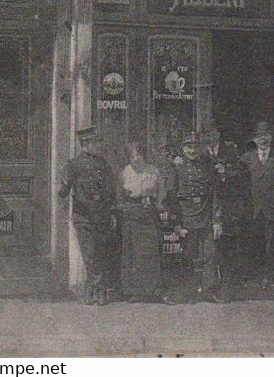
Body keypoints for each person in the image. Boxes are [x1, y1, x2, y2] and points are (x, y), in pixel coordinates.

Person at [58, 126, 118, 305]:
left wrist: (112, 212)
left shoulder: (104, 165)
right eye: (96, 142)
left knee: (101, 252)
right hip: (83, 216)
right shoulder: (73, 165)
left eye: (99, 142)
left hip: (102, 215)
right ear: (85, 144)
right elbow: (63, 192)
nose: (99, 146)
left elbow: (111, 192)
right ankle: (97, 290)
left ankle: (94, 290)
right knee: (89, 253)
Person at [165, 131, 223, 302]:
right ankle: (188, 292)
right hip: (186, 217)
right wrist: (176, 224)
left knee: (210, 255)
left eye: (195, 147)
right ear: (183, 149)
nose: (192, 150)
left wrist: (217, 220)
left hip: (205, 216)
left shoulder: (207, 166)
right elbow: (171, 197)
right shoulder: (177, 168)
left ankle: (208, 291)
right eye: (189, 147)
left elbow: (214, 194)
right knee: (187, 256)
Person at [204, 122, 251, 298]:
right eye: (206, 134)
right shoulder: (200, 154)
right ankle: (211, 284)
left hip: (229, 206)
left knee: (228, 245)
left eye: (212, 133)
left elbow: (242, 175)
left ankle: (229, 285)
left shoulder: (230, 152)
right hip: (207, 206)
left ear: (218, 134)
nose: (210, 137)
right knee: (210, 247)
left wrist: (225, 174)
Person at [240, 121, 274, 288]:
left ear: (271, 138)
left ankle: (268, 275)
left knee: (271, 243)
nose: (263, 140)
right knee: (252, 241)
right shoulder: (246, 158)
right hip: (252, 208)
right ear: (255, 140)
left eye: (266, 136)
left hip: (271, 208)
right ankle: (252, 274)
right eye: (259, 137)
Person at [120, 141, 163, 303]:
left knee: (149, 251)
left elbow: (160, 192)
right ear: (128, 158)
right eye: (132, 156)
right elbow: (120, 194)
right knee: (131, 252)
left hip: (148, 212)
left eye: (138, 155)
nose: (136, 159)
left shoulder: (153, 171)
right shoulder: (125, 172)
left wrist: (156, 206)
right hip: (131, 212)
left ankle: (151, 290)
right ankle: (132, 292)